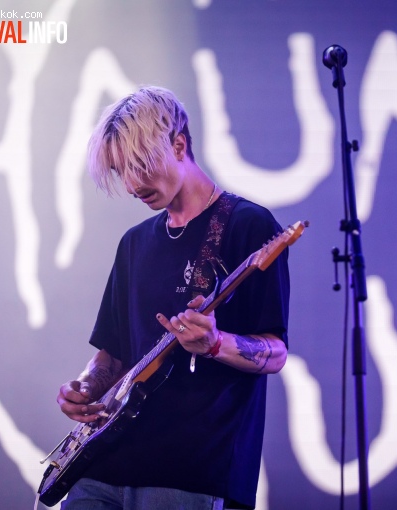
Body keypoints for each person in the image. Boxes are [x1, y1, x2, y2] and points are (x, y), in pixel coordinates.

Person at [56, 85, 290, 510]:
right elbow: (113, 354)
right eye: (120, 171)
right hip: (106, 462)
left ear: (179, 144)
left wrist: (216, 343)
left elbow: (274, 353)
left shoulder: (248, 226)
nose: (130, 185)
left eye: (139, 165)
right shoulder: (134, 243)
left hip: (191, 470)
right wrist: (86, 387)